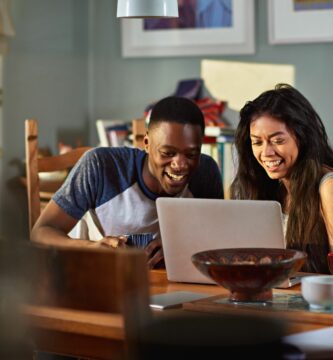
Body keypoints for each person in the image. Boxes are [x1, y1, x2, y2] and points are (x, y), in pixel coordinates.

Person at [31, 96, 223, 268]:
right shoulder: (101, 166)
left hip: (166, 288)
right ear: (146, 144)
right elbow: (41, 232)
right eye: (167, 153)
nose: (180, 165)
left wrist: (182, 247)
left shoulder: (205, 172)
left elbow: (217, 241)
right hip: (93, 282)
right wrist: (91, 247)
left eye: (191, 154)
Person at [231, 83, 333, 274]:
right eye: (257, 142)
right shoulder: (269, 187)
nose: (266, 152)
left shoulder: (328, 186)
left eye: (278, 141)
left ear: (302, 137)